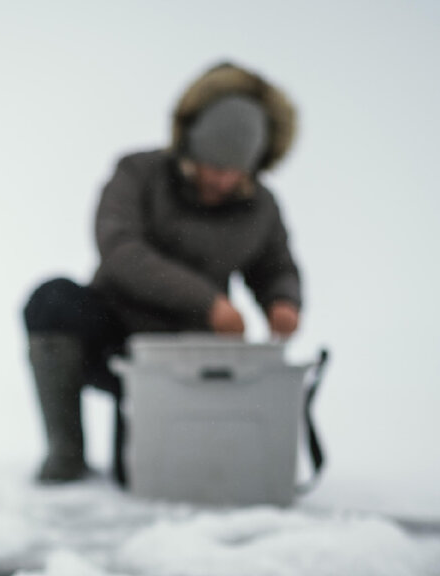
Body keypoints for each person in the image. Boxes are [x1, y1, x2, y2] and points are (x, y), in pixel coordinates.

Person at [22, 61, 303, 483]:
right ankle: (66, 456)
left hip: (187, 357)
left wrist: (284, 301)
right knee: (51, 301)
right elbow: (119, 250)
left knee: (141, 476)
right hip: (115, 338)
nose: (223, 179)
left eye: (234, 170)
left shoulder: (260, 206)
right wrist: (208, 302)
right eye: (214, 165)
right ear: (192, 148)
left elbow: (275, 265)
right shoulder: (138, 174)